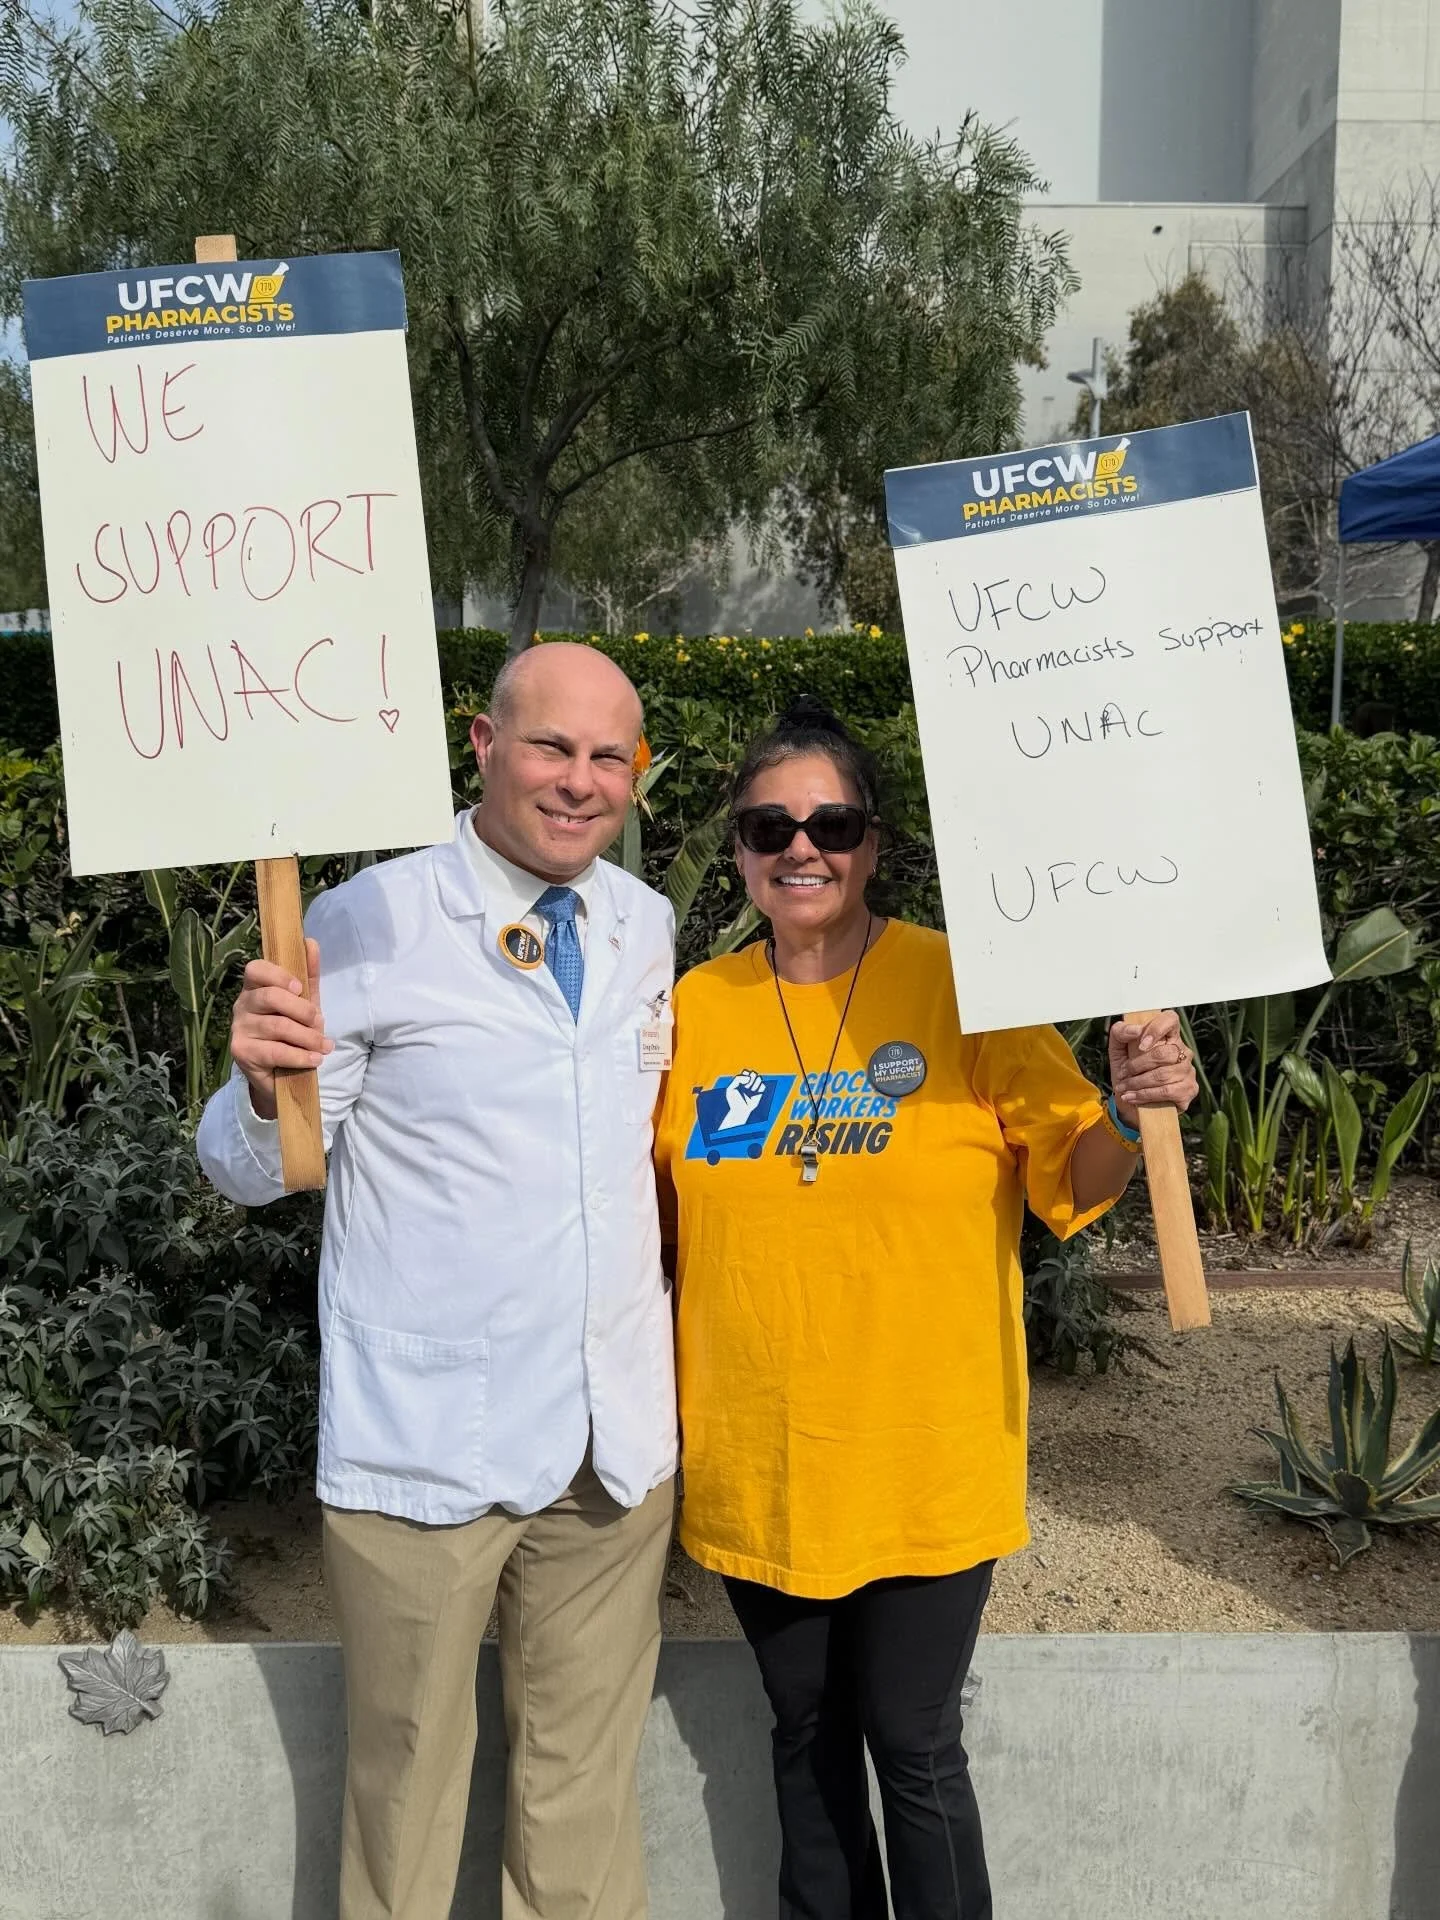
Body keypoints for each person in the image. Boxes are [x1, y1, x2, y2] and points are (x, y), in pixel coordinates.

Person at [653, 696, 1198, 1920]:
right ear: (739, 850)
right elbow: (644, 1213)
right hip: (763, 1450)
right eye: (769, 826)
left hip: (925, 1453)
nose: (802, 849)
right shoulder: (693, 1006)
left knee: (911, 1739)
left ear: (872, 844)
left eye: (831, 822)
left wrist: (1130, 1109)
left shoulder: (968, 985)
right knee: (803, 1731)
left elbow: (1076, 1179)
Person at [198, 644, 677, 1920]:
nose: (579, 782)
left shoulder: (645, 927)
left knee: (583, 1809)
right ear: (481, 743)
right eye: (550, 747)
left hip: (609, 1452)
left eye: (608, 757)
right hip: (429, 1448)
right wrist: (259, 1087)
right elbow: (252, 1171)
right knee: (404, 1801)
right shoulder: (364, 920)